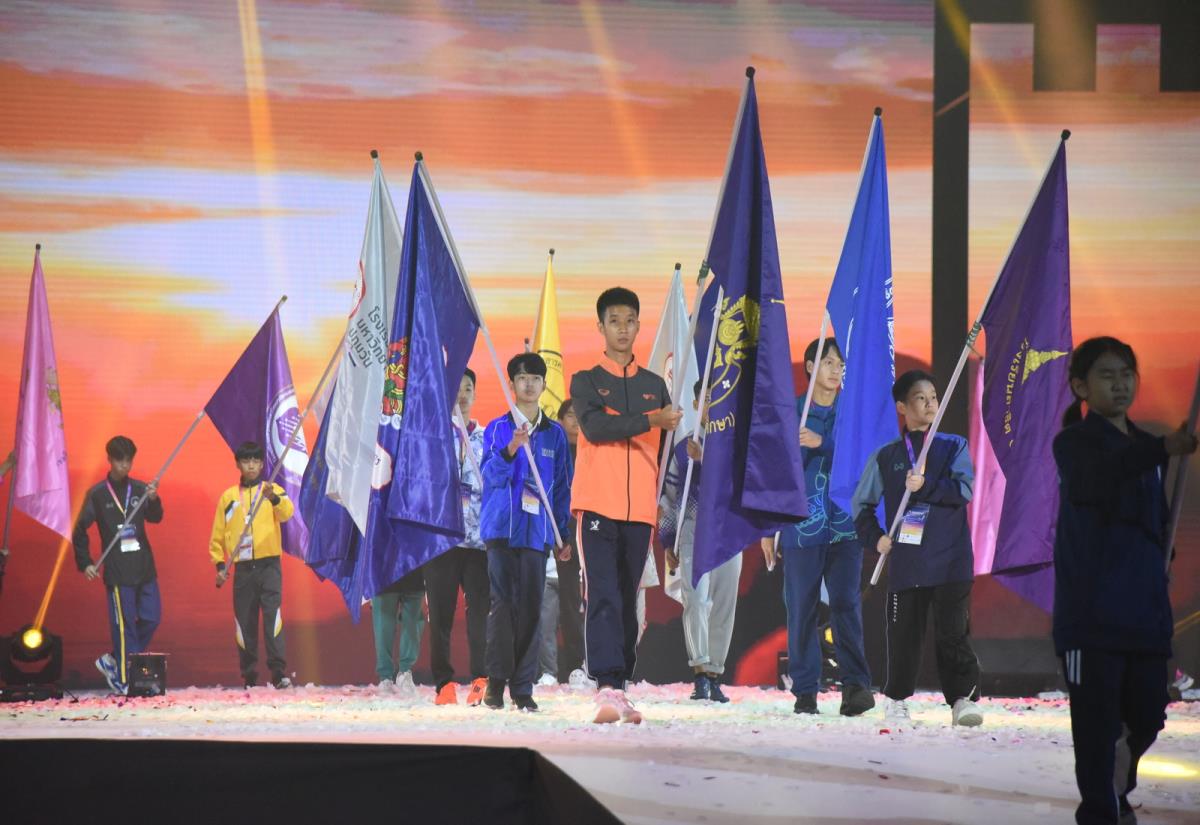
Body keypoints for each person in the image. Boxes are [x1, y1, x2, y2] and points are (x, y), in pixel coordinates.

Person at [1052, 337, 1197, 825]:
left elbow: (1155, 525)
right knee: (1097, 729)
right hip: (1092, 617)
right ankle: (1101, 810)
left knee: (1148, 714)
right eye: (1107, 375)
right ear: (1081, 387)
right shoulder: (1074, 444)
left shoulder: (1144, 447)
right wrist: (1160, 450)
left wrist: (1161, 554)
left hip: (1144, 614)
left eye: (1127, 374)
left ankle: (1115, 793)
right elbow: (1094, 481)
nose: (1121, 384)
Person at [570, 287, 680, 724]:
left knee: (627, 597)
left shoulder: (654, 386)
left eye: (629, 320)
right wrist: (651, 420)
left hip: (639, 513)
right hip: (598, 504)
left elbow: (668, 447)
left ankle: (622, 685)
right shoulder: (585, 381)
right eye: (614, 321)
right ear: (601, 326)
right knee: (602, 594)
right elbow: (596, 428)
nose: (622, 328)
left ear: (638, 325)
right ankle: (606, 685)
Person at [852, 369, 983, 727]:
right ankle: (896, 700)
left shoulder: (953, 446)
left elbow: (964, 491)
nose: (929, 404)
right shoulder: (887, 456)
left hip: (952, 559)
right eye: (920, 398)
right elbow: (861, 506)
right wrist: (875, 538)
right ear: (902, 407)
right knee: (903, 635)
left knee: (953, 633)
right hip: (908, 562)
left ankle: (962, 700)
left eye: (934, 397)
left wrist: (925, 486)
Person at [765, 339, 874, 716]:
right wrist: (768, 528)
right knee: (801, 609)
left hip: (846, 526)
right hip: (801, 528)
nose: (835, 370)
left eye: (840, 364)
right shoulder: (791, 414)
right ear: (810, 367)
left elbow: (864, 458)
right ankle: (805, 691)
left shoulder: (852, 413)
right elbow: (772, 473)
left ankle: (856, 687)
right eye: (827, 362)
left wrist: (821, 442)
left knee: (846, 605)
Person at [480, 353, 572, 711]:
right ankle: (495, 683)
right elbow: (489, 477)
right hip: (501, 531)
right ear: (512, 385)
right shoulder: (497, 429)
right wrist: (511, 449)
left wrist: (562, 534)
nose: (529, 384)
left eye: (535, 378)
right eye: (522, 378)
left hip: (536, 534)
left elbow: (562, 488)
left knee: (532, 609)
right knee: (503, 607)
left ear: (544, 385)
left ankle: (522, 688)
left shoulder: (555, 434)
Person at [659, 379, 741, 703]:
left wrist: (706, 458)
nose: (711, 405)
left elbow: (737, 488)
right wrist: (668, 540)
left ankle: (715, 674)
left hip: (729, 533)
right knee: (696, 600)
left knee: (723, 604)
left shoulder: (735, 445)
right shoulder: (682, 448)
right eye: (706, 399)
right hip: (693, 531)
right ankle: (700, 673)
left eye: (716, 398)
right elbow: (668, 498)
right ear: (696, 405)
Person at [72, 436, 163, 695]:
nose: (125, 465)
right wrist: (86, 563)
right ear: (109, 460)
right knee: (124, 628)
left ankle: (113, 659)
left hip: (144, 567)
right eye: (120, 460)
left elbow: (155, 518)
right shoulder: (98, 494)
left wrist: (154, 499)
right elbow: (79, 528)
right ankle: (124, 678)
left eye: (128, 461)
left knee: (152, 618)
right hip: (118, 571)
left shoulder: (141, 489)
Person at [424, 369, 490, 706]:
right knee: (440, 615)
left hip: (479, 543)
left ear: (475, 394)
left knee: (480, 614)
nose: (462, 395)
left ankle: (481, 678)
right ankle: (444, 684)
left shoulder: (488, 438)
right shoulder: (433, 436)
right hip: (442, 541)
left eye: (468, 389)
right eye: (457, 388)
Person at [209, 441, 294, 689]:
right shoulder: (229, 497)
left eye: (256, 461)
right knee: (245, 622)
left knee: (272, 619)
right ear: (238, 464)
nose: (251, 466)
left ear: (262, 464)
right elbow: (217, 535)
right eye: (246, 461)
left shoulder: (272, 489)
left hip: (269, 566)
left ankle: (278, 673)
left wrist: (274, 499)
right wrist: (219, 565)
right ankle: (249, 675)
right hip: (243, 569)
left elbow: (287, 513)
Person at [539, 397, 585, 684]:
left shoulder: (592, 453)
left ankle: (577, 667)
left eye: (580, 415)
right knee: (548, 608)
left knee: (574, 605)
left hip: (584, 533)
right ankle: (546, 670)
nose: (576, 420)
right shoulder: (552, 453)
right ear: (559, 420)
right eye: (570, 415)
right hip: (555, 532)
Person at [369, 568, 425, 696]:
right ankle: (385, 678)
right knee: (383, 627)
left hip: (414, 570)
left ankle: (405, 673)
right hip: (383, 572)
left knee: (413, 623)